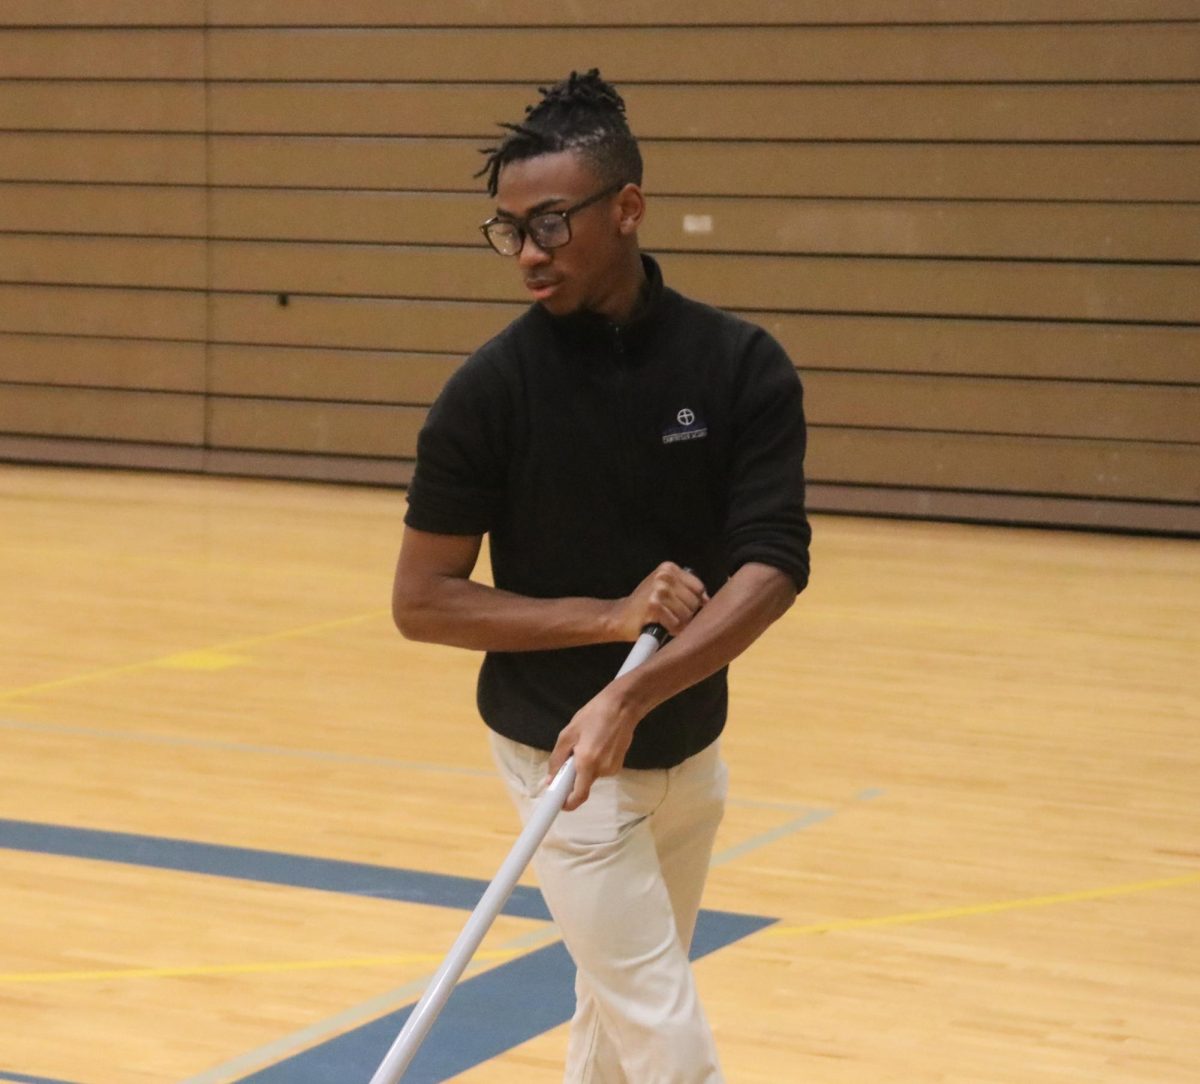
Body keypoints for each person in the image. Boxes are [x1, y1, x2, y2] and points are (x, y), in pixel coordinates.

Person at [392, 69, 810, 1084]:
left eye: (549, 224)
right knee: (667, 1037)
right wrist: (610, 623)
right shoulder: (488, 394)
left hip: (684, 742)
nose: (528, 255)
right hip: (562, 768)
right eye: (509, 231)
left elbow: (773, 564)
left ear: (626, 208)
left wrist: (635, 689)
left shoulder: (740, 365)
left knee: (615, 1026)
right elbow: (424, 600)